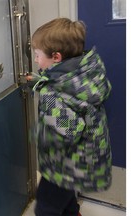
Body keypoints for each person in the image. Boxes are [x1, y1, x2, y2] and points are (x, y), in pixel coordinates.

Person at [27, 18, 112, 216]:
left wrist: (37, 133)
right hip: (84, 160)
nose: (37, 60)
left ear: (56, 57)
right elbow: (67, 90)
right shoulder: (85, 75)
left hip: (63, 166)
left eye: (38, 55)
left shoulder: (52, 94)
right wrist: (40, 81)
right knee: (65, 200)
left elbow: (67, 131)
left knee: (46, 208)